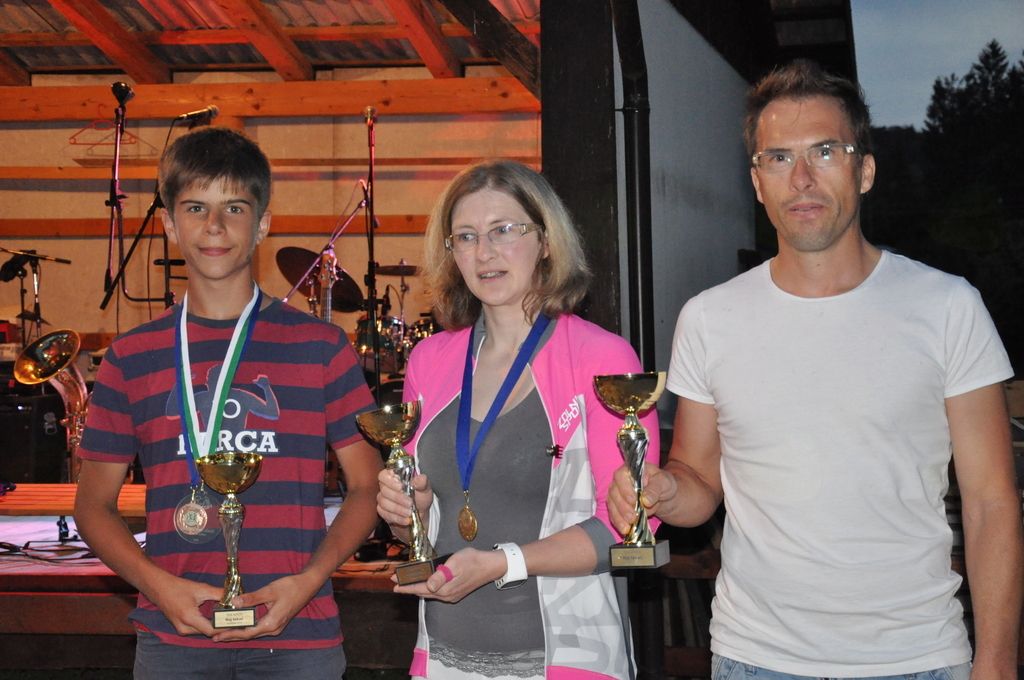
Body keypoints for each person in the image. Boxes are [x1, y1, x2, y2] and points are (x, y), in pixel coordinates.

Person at [608, 60, 1024, 679]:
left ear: (865, 170)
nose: (801, 178)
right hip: (755, 659)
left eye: (825, 151)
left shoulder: (947, 307)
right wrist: (663, 490)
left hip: (917, 657)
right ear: (757, 182)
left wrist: (997, 662)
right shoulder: (709, 318)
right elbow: (698, 482)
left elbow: (992, 503)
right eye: (779, 158)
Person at [74, 127, 382, 679]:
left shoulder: (321, 348)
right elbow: (93, 505)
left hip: (299, 633)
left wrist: (310, 581)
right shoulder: (131, 357)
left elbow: (366, 486)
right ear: (170, 224)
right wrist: (158, 586)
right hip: (173, 640)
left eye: (234, 208)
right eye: (196, 207)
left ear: (262, 223)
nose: (214, 226)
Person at [375, 160, 660, 679]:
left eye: (503, 230)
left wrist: (503, 562)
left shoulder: (600, 357)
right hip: (441, 658)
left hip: (567, 659)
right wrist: (405, 510)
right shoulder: (430, 360)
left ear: (546, 240)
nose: (484, 252)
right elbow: (421, 520)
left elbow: (628, 526)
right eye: (466, 237)